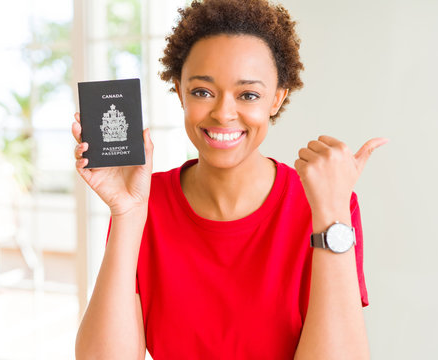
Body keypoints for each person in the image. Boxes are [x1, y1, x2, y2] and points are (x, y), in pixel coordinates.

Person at [73, 0, 388, 359]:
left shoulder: (326, 204)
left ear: (276, 98)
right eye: (202, 92)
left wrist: (331, 215)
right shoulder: (144, 203)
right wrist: (126, 214)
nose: (223, 113)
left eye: (248, 95)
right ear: (179, 91)